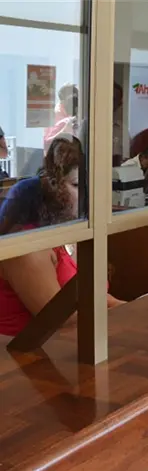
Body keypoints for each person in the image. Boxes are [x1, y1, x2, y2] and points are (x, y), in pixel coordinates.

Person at [0, 135, 124, 336]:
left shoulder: (76, 231)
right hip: (27, 352)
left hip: (72, 341)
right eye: (76, 185)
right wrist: (127, 312)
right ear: (54, 189)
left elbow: (95, 297)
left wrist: (130, 306)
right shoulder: (28, 246)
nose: (87, 194)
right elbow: (62, 321)